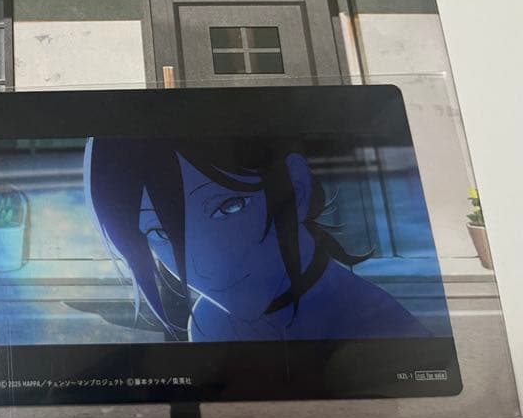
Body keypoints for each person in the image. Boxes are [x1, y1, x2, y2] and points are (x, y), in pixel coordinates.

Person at [84, 136, 430, 342]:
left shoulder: (377, 326)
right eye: (160, 233)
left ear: (296, 187)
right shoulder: (210, 321)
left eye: (229, 207)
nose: (203, 268)